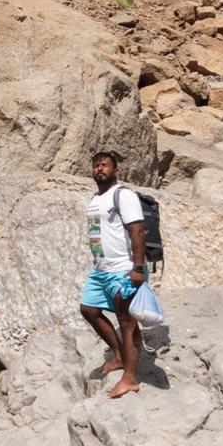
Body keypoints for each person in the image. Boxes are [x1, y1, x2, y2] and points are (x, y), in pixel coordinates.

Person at [79, 151, 146, 398]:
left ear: (115, 171)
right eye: (96, 165)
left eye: (105, 165)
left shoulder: (123, 195)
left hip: (123, 268)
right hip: (101, 271)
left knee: (126, 322)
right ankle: (119, 356)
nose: (99, 169)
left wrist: (138, 268)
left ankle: (130, 378)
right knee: (89, 310)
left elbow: (137, 231)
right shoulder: (95, 200)